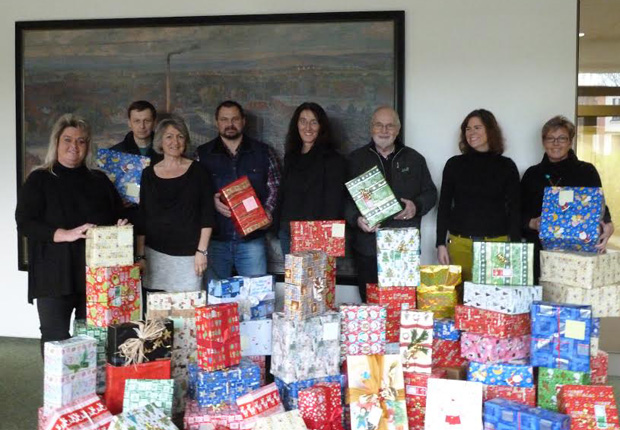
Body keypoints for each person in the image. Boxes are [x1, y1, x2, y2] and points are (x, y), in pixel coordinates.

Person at [15, 114, 126, 353]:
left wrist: (121, 228)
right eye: (67, 139)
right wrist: (65, 234)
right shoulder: (39, 179)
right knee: (57, 344)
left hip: (95, 278)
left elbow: (118, 216)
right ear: (56, 142)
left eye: (81, 141)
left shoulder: (99, 180)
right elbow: (25, 224)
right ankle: (58, 393)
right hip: (53, 277)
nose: (74, 147)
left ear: (88, 146)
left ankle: (93, 392)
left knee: (95, 344)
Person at [345, 106, 437, 301]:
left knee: (402, 305)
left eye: (390, 126)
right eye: (379, 125)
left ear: (398, 129)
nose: (384, 130)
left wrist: (416, 206)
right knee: (371, 308)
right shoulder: (355, 160)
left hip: (403, 248)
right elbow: (344, 200)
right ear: (371, 128)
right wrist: (357, 219)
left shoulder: (415, 159)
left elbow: (431, 193)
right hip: (367, 248)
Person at [521, 115, 614, 280]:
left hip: (579, 253)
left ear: (570, 142)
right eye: (551, 138)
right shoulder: (532, 174)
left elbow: (600, 207)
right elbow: (518, 212)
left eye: (562, 138)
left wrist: (608, 224)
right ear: (543, 142)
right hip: (539, 252)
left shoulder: (586, 171)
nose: (556, 143)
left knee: (574, 298)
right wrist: (532, 223)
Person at [196, 100, 281, 278]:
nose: (230, 124)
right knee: (216, 299)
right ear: (216, 122)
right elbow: (193, 193)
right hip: (216, 240)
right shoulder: (202, 154)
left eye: (235, 119)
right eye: (224, 119)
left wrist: (268, 212)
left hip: (252, 240)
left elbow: (275, 187)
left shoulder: (264, 152)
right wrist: (211, 201)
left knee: (256, 299)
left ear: (243, 121)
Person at [436, 108, 521, 282]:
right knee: (460, 300)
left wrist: (516, 248)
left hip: (497, 245)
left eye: (477, 127)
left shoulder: (507, 166)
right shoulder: (454, 165)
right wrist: (440, 244)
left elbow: (515, 208)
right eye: (468, 128)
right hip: (460, 244)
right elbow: (444, 206)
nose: (471, 133)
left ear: (490, 130)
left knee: (494, 301)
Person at [136, 115, 215, 292]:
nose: (175, 141)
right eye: (169, 136)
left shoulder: (199, 171)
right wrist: (141, 256)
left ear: (186, 140)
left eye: (180, 136)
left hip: (189, 256)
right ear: (160, 141)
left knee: (188, 313)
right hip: (155, 255)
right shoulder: (148, 174)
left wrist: (202, 252)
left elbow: (207, 215)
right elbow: (143, 216)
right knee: (158, 314)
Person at [274, 102, 347, 255]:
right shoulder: (291, 156)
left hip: (318, 236)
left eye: (314, 122)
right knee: (293, 280)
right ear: (296, 124)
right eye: (303, 121)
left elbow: (334, 204)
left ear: (322, 126)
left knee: (317, 280)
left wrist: (320, 240)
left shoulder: (333, 159)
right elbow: (284, 195)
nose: (308, 128)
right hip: (288, 232)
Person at [110, 100, 162, 164]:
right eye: (137, 121)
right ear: (129, 123)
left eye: (147, 121)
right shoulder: (115, 152)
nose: (142, 126)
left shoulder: (165, 151)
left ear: (154, 123)